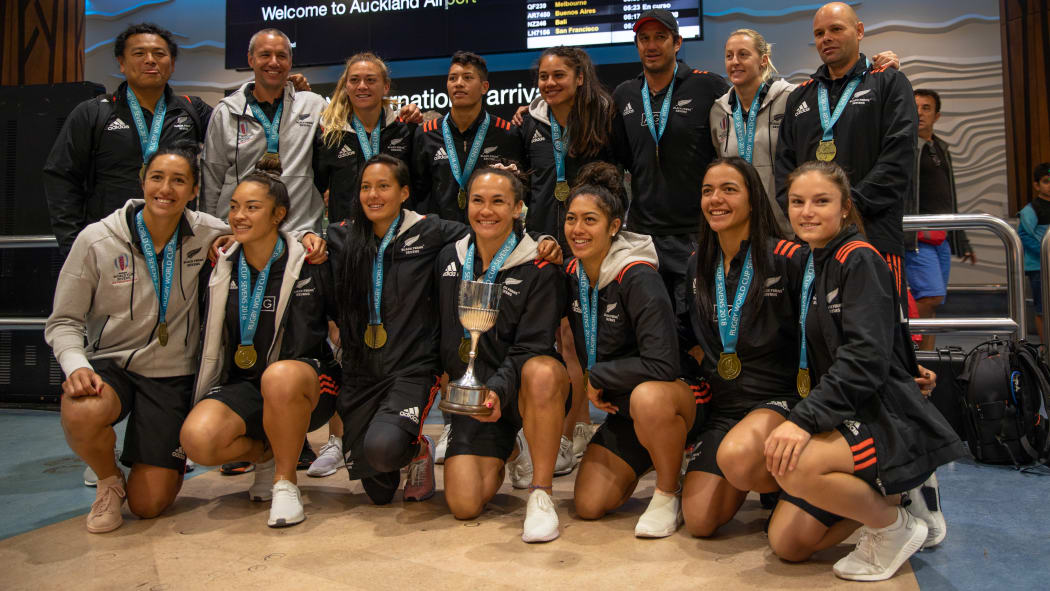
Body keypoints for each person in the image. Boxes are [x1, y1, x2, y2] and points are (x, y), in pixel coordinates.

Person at [767, 161, 965, 581]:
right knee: (787, 543)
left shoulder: (859, 259)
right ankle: (894, 498)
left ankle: (895, 526)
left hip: (880, 414)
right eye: (798, 202)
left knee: (794, 465)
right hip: (845, 409)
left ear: (844, 208)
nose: (807, 211)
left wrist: (802, 421)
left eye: (822, 201)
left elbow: (865, 358)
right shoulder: (817, 258)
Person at [44, 143, 229, 533]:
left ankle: (144, 470)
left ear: (194, 190)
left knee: (149, 505)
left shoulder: (208, 232)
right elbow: (62, 321)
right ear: (142, 180)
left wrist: (309, 241)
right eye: (157, 178)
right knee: (81, 408)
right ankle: (109, 480)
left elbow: (262, 232)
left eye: (179, 181)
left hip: (172, 375)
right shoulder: (96, 240)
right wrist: (76, 366)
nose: (166, 189)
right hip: (113, 365)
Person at [179, 171, 339, 527]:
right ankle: (265, 454)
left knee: (279, 375)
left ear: (278, 214)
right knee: (197, 440)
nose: (239, 216)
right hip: (246, 384)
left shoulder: (311, 261)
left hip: (306, 384)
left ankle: (285, 481)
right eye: (235, 207)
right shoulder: (221, 263)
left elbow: (344, 327)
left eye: (253, 207)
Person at [565, 163, 699, 538]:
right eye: (572, 219)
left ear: (613, 226)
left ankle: (669, 487)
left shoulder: (637, 276)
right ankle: (654, 455)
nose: (578, 229)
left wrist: (598, 376)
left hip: (674, 397)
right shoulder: (573, 274)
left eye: (590, 220)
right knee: (589, 505)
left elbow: (663, 364)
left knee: (648, 398)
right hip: (624, 411)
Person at [438, 167, 569, 542]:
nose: (486, 210)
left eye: (499, 201)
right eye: (478, 200)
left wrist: (497, 388)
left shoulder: (540, 266)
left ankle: (540, 493)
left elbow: (533, 347)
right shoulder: (450, 257)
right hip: (475, 397)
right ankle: (509, 448)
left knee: (542, 370)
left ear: (518, 209)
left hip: (524, 388)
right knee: (464, 505)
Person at [678, 157, 807, 536]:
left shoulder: (789, 259)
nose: (715, 199)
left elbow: (822, 338)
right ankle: (772, 475)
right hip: (726, 409)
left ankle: (794, 481)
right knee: (700, 522)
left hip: (780, 401)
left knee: (738, 457)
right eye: (707, 191)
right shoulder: (697, 266)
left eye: (729, 190)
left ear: (753, 200)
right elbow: (683, 337)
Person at [328, 154, 467, 505]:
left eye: (383, 186)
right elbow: (289, 241)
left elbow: (486, 234)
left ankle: (418, 447)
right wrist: (305, 242)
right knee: (378, 489)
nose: (373, 195)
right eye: (365, 187)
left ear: (404, 192)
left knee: (384, 450)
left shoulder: (429, 229)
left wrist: (541, 244)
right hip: (360, 372)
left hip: (411, 367)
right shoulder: (343, 237)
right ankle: (402, 443)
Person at [518, 46, 617, 473]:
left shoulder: (604, 116)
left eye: (559, 74)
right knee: (555, 337)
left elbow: (618, 179)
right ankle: (566, 430)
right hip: (545, 244)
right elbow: (529, 180)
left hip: (589, 243)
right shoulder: (532, 123)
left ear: (580, 77)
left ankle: (582, 427)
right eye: (543, 76)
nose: (550, 83)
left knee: (582, 336)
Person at [774, 2, 918, 295]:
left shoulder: (888, 82)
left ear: (859, 31)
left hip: (874, 235)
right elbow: (784, 169)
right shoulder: (801, 96)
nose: (826, 38)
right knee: (816, 333)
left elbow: (898, 157)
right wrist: (807, 212)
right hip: (813, 243)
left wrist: (846, 208)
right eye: (819, 33)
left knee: (879, 332)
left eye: (836, 29)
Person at [44, 23, 212, 256]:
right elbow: (61, 177)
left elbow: (234, 149)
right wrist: (74, 245)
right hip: (110, 243)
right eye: (139, 53)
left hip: (178, 243)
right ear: (121, 63)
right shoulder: (93, 113)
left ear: (172, 64)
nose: (150, 60)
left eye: (159, 54)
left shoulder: (193, 110)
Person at [611, 9, 729, 312]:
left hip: (695, 232)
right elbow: (621, 159)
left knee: (696, 322)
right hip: (642, 234)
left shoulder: (707, 86)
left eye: (660, 37)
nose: (651, 46)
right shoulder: (625, 94)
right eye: (644, 39)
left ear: (676, 42)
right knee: (649, 321)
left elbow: (745, 114)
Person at [202, 28, 327, 233]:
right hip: (239, 234)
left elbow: (353, 121)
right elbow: (211, 181)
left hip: (298, 234)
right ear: (251, 60)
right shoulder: (226, 112)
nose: (274, 62)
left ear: (290, 61)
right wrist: (211, 234)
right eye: (265, 55)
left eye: (281, 56)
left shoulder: (314, 106)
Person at [412, 52, 523, 222]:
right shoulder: (427, 134)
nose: (458, 84)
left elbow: (520, 188)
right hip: (441, 237)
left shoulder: (507, 133)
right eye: (453, 78)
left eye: (467, 78)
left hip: (489, 229)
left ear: (484, 87)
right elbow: (417, 194)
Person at [908, 88, 976, 349]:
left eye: (926, 108)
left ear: (937, 115)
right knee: (931, 296)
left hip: (941, 236)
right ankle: (914, 353)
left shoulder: (940, 148)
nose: (919, 112)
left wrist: (963, 240)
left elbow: (950, 198)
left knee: (933, 298)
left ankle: (928, 358)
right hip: (915, 235)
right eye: (915, 107)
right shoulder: (903, 147)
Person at [314, 52, 417, 226]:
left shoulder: (404, 130)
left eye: (370, 80)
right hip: (347, 238)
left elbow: (418, 186)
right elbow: (317, 187)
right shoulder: (329, 136)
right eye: (354, 80)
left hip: (397, 236)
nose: (362, 86)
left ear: (386, 86)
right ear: (346, 87)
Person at [1019, 162, 1050, 342]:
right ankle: (1046, 346)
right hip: (1039, 267)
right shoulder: (1031, 210)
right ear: (1037, 185)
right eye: (1046, 181)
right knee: (1042, 308)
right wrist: (1045, 254)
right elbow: (1024, 236)